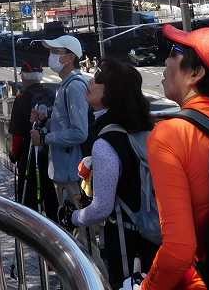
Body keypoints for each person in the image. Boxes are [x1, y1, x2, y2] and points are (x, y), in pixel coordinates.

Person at [142, 25, 209, 290]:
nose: (166, 60)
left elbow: (179, 250)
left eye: (174, 52)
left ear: (195, 73)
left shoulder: (171, 134)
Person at [63, 59, 157, 288]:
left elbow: (102, 208)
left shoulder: (106, 141)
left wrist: (71, 218)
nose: (90, 81)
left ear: (112, 92)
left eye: (97, 79)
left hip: (125, 242)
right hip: (152, 233)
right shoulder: (144, 129)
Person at [30, 34, 90, 209]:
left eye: (56, 51)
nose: (51, 56)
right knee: (67, 222)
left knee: (78, 228)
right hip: (63, 170)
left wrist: (44, 137)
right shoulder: (65, 85)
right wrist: (46, 120)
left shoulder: (74, 87)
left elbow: (80, 132)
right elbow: (64, 124)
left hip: (72, 173)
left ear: (70, 57)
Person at [8, 63, 58, 219]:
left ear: (23, 77)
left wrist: (14, 155)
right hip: (52, 152)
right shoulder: (51, 94)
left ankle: (33, 232)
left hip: (28, 154)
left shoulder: (21, 98)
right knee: (51, 195)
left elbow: (17, 134)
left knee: (28, 199)